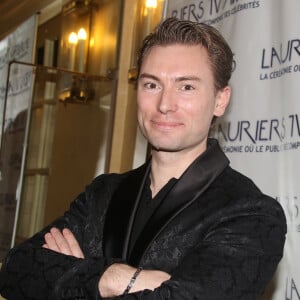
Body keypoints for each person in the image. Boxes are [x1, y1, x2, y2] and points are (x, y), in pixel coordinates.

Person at [0, 17, 286, 300]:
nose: (164, 105)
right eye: (152, 85)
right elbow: (15, 269)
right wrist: (114, 278)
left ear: (220, 100)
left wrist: (73, 276)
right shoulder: (102, 194)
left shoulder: (251, 213)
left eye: (186, 87)